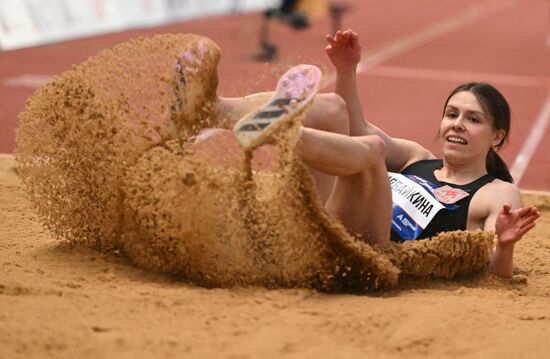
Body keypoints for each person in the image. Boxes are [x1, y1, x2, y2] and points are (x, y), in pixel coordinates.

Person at [197, 30, 540, 278]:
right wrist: (347, 70)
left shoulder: (495, 191)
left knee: (372, 151)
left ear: (497, 136)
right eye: (452, 115)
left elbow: (496, 272)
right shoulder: (416, 157)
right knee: (332, 109)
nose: (457, 125)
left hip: (366, 256)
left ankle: (283, 131)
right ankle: (214, 109)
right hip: (323, 223)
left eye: (473, 119)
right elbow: (353, 124)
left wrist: (506, 245)